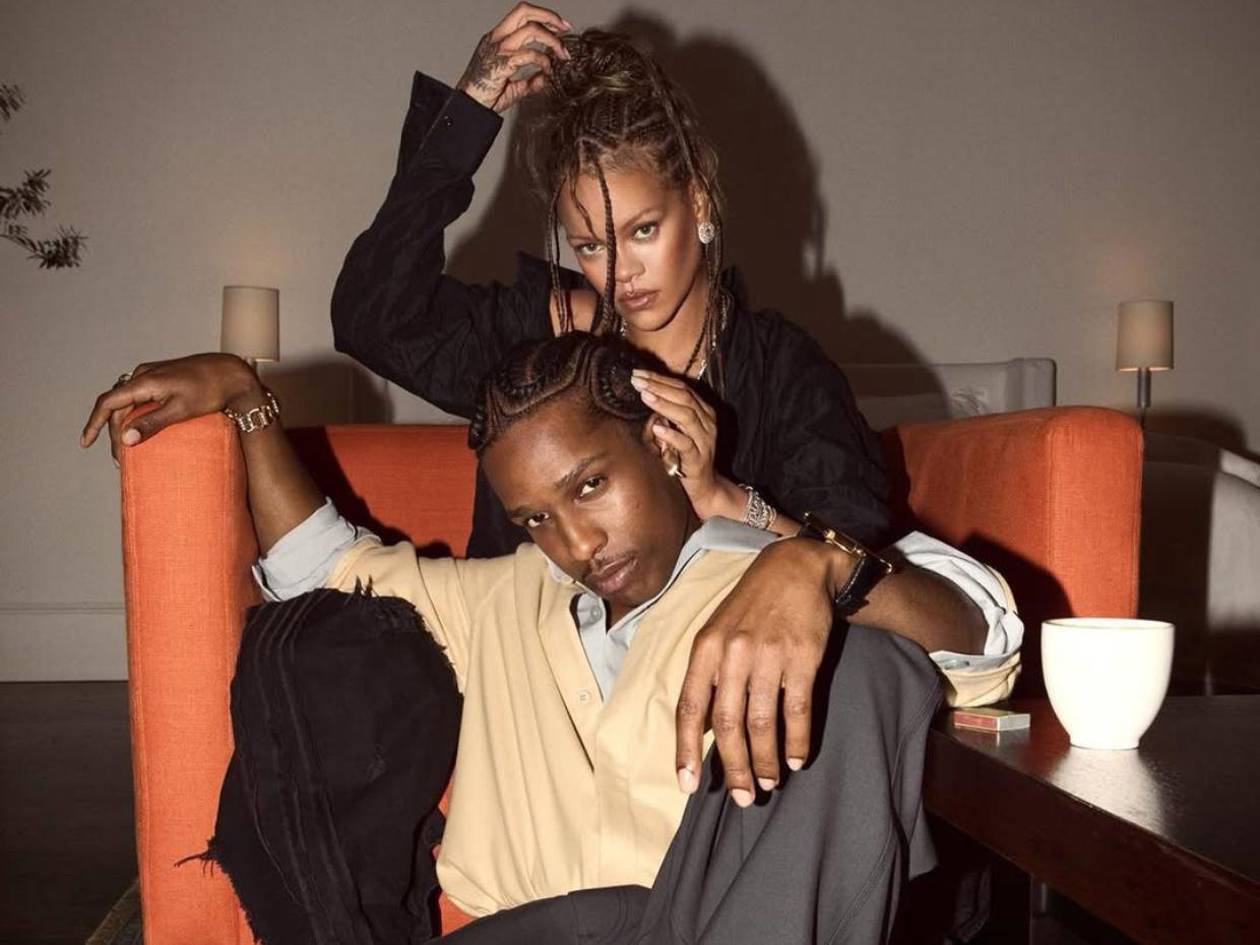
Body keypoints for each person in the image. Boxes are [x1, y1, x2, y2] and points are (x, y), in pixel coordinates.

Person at [81, 336, 1015, 943]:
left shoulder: (769, 577)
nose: (576, 544)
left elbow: (980, 641)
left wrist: (816, 565)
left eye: (588, 487)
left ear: (662, 443)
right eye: (535, 517)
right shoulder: (506, 597)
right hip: (520, 932)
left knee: (870, 667)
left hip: (709, 915)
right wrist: (247, 398)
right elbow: (323, 562)